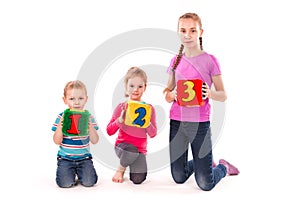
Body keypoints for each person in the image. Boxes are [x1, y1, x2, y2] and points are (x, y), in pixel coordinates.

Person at [163, 12, 239, 191]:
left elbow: (223, 94)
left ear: (200, 32)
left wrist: (209, 93)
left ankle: (223, 167)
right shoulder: (176, 60)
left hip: (200, 124)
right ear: (178, 32)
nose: (187, 35)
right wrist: (170, 95)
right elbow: (167, 91)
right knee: (179, 177)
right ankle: (204, 161)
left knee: (206, 184)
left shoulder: (210, 61)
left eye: (192, 30)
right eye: (183, 30)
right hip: (177, 122)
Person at [106, 67, 157, 184]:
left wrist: (147, 123)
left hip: (139, 150)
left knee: (138, 179)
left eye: (140, 86)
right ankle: (121, 169)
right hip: (122, 147)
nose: (136, 90)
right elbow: (109, 131)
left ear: (145, 88)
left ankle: (130, 162)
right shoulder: (121, 107)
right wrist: (120, 120)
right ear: (126, 87)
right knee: (130, 151)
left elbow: (153, 134)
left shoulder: (149, 109)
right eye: (132, 86)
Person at [51, 80, 99, 188]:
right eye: (72, 99)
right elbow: (56, 141)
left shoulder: (89, 117)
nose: (77, 102)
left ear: (86, 99)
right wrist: (60, 128)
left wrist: (90, 127)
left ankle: (80, 173)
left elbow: (95, 141)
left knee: (89, 182)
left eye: (80, 98)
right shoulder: (62, 117)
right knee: (65, 184)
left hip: (84, 158)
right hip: (65, 158)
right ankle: (71, 173)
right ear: (65, 100)